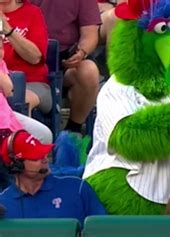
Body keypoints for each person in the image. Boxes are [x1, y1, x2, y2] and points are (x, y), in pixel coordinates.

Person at [0, 130, 107, 225]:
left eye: (43, 153)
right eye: (36, 157)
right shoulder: (3, 204)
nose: (45, 160)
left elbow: (103, 229)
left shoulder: (77, 188)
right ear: (16, 165)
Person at [31, 0, 101, 134]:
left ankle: (74, 130)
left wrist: (81, 52)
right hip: (24, 54)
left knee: (89, 71)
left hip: (64, 58)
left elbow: (90, 34)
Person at [1, 0, 50, 114]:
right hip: (2, 83)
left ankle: (20, 132)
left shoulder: (32, 13)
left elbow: (35, 58)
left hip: (31, 83)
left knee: (14, 102)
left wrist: (8, 30)